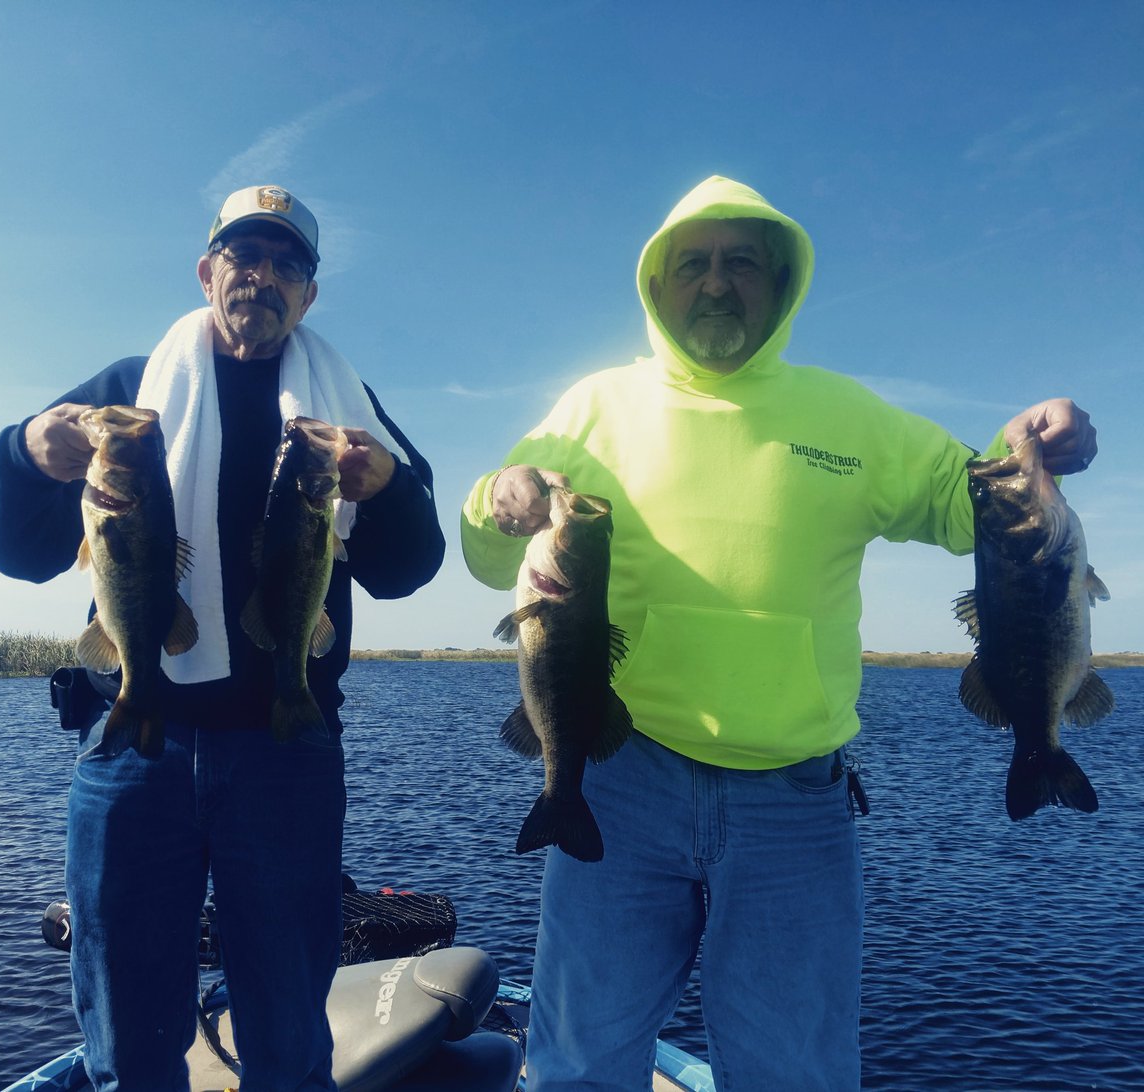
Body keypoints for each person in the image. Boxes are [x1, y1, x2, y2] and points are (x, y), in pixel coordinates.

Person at [459, 175, 1098, 1091]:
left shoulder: (850, 416)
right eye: (693, 264)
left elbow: (982, 508)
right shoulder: (594, 407)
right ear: (657, 284)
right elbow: (493, 556)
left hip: (795, 804)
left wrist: (1029, 440)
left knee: (794, 1073)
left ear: (782, 282)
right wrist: (497, 494)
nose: (717, 283)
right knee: (578, 1065)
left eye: (743, 263)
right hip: (622, 779)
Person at [0, 184, 445, 1090]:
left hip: (285, 748)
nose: (263, 276)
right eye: (244, 255)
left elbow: (407, 568)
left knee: (288, 1031)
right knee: (127, 1033)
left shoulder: (343, 412)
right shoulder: (129, 396)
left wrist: (386, 487)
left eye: (287, 264)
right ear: (207, 272)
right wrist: (29, 452)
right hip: (132, 750)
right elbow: (16, 549)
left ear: (309, 294)